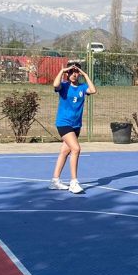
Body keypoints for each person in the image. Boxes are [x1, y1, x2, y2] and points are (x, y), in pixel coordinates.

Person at [49, 61, 97, 193]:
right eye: (71, 72)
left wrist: (85, 74)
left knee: (65, 151)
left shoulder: (82, 88)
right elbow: (55, 84)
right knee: (76, 149)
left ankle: (55, 181)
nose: (73, 74)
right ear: (67, 74)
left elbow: (93, 90)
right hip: (64, 123)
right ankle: (74, 182)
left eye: (76, 72)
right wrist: (62, 70)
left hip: (76, 125)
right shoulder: (64, 86)